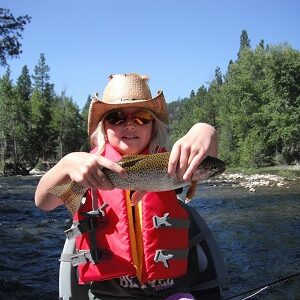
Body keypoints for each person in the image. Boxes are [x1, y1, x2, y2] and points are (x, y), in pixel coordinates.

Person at [35, 73, 218, 300]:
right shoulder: (87, 168)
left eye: (141, 117)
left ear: (154, 125)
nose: (130, 124)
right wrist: (65, 164)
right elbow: (43, 202)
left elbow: (208, 159)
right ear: (103, 126)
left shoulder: (174, 162)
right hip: (109, 293)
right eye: (117, 117)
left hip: (171, 291)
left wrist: (206, 130)